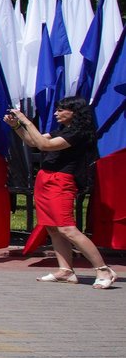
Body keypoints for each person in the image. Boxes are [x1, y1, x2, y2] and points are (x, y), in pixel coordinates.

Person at [10, 97, 115, 289]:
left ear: (74, 112)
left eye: (61, 110)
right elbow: (33, 141)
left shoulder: (79, 133)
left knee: (67, 228)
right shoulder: (64, 131)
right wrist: (17, 126)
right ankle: (65, 270)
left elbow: (45, 145)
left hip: (62, 181)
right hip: (45, 179)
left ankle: (103, 269)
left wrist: (25, 121)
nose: (56, 113)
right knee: (52, 227)